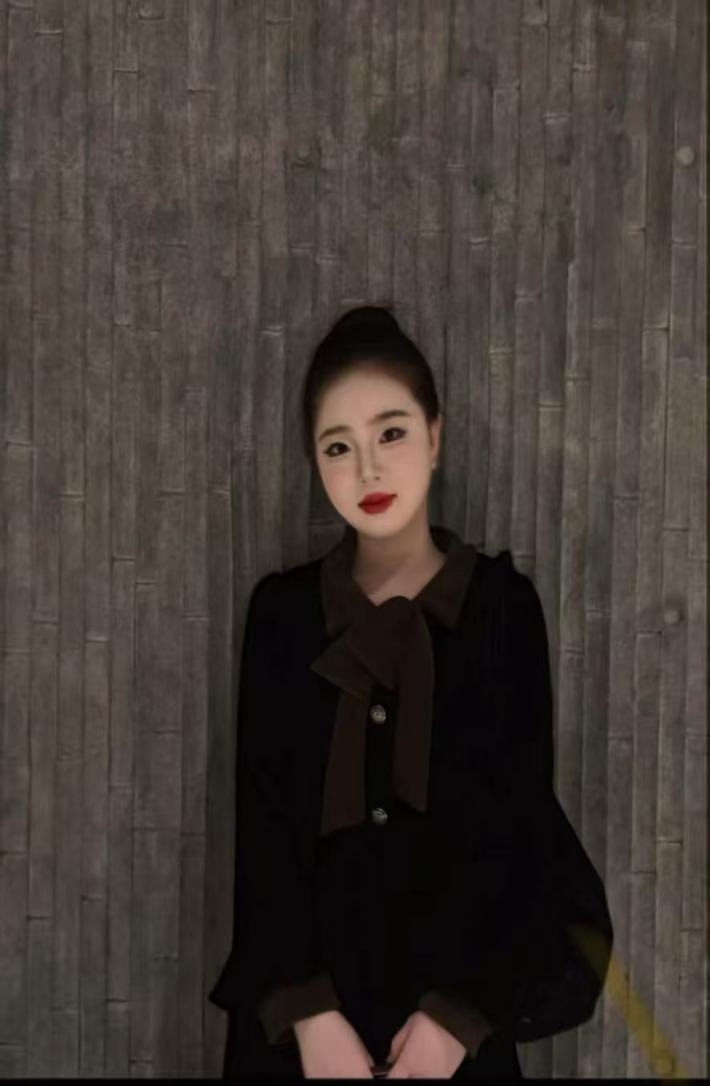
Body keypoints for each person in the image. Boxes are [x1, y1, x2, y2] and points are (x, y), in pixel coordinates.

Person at [208, 306, 613, 1078]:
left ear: (435, 434)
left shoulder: (501, 609)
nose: (367, 469)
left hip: (456, 1038)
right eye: (338, 446)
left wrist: (458, 1020)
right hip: (300, 1041)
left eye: (390, 433)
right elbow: (263, 840)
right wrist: (308, 1017)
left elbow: (516, 831)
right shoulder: (284, 616)